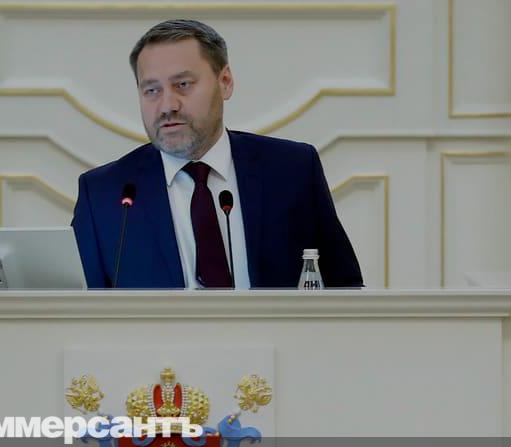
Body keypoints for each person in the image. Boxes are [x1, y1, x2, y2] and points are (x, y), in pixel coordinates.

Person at [71, 19, 362, 289]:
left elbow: (345, 289)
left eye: (183, 85)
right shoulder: (104, 194)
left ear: (225, 82)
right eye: (151, 90)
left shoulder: (292, 170)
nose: (167, 106)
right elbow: (78, 311)